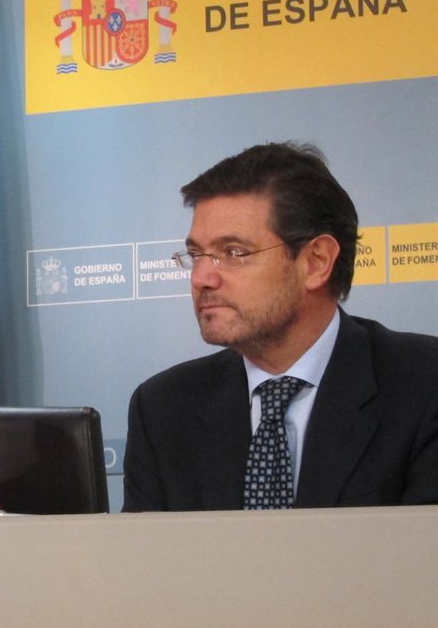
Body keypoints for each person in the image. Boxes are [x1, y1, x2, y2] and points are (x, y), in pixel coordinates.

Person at [123, 142, 438, 511]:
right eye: (196, 255)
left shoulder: (424, 384)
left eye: (234, 252)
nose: (201, 278)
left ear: (316, 262)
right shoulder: (162, 407)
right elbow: (147, 549)